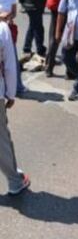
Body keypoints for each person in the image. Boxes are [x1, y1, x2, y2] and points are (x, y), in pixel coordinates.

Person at [0, 17, 28, 196]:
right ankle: (14, 181)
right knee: (1, 140)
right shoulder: (2, 29)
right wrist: (10, 93)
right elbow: (10, 65)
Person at [42, 0, 77, 77]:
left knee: (53, 39)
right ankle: (70, 72)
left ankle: (48, 68)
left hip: (55, 9)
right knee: (69, 39)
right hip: (69, 9)